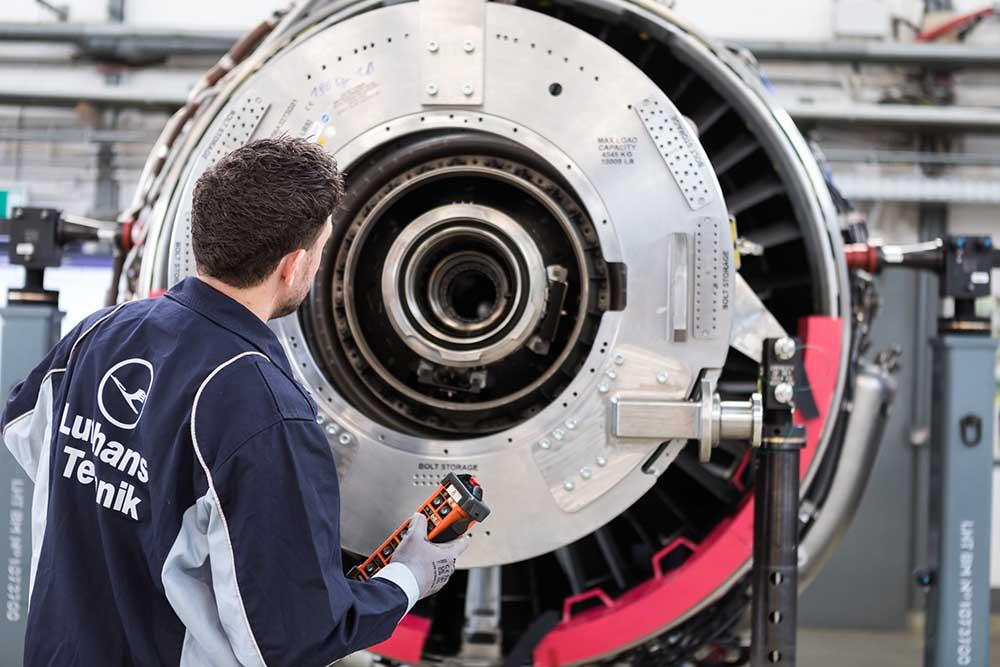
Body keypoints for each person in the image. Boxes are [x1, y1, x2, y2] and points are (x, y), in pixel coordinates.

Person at [1, 137, 467, 666]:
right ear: (293, 265)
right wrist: (408, 577)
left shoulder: (102, 331)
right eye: (320, 250)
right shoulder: (264, 409)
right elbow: (293, 635)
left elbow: (22, 427)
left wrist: (120, 488)